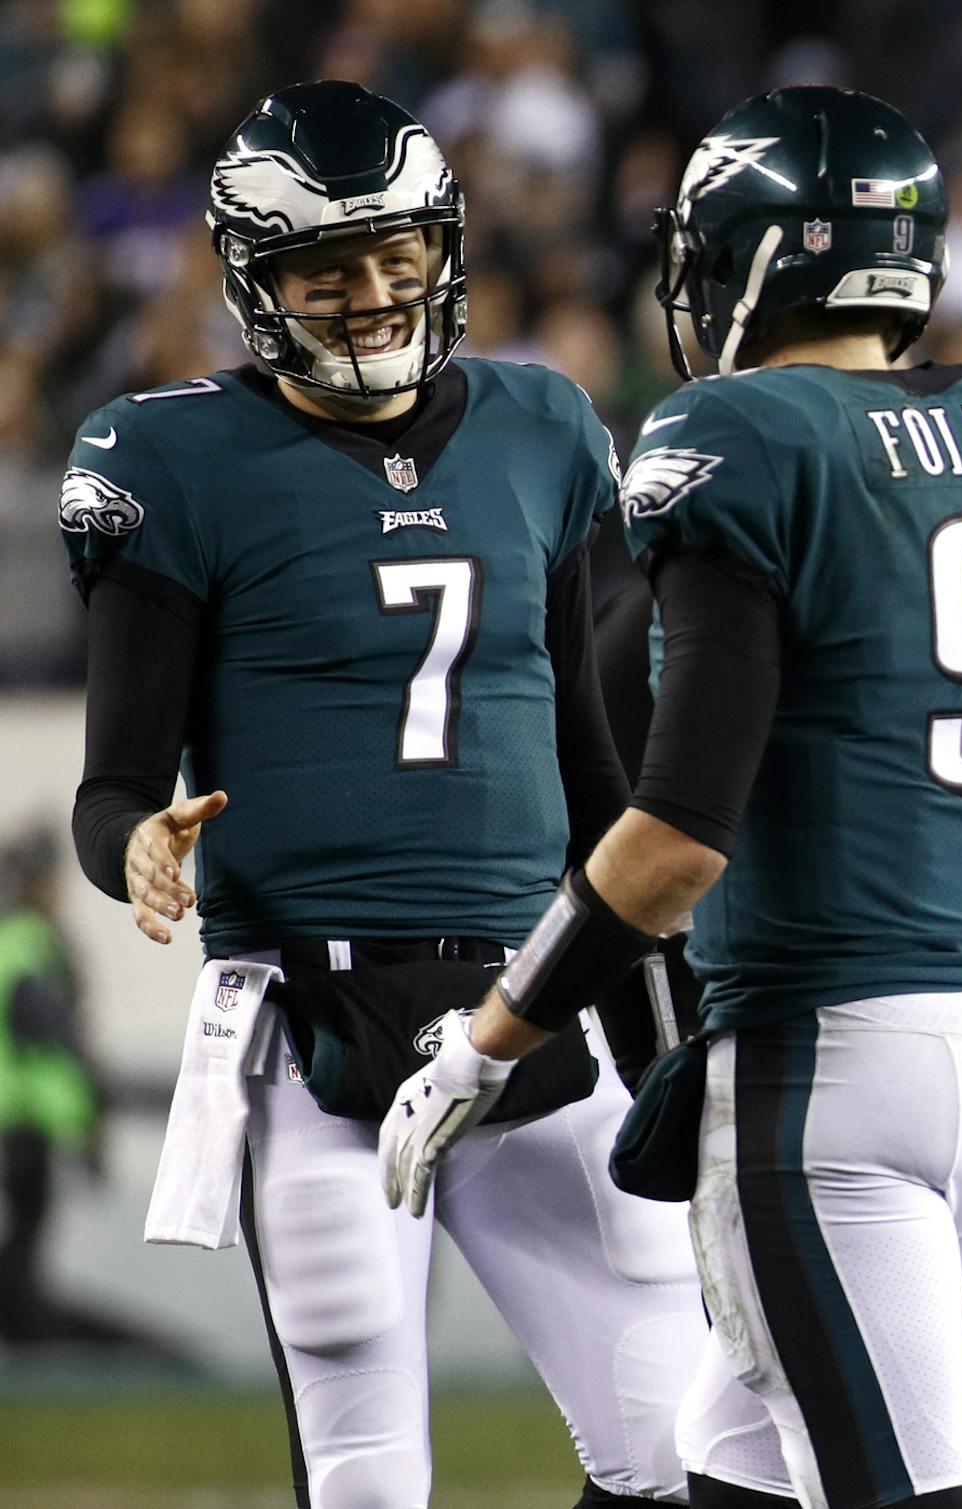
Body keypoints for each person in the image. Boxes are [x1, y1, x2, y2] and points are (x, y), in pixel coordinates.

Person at [377, 86, 962, 1509]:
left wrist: (484, 1045)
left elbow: (677, 842)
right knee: (714, 1475)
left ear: (751, 260)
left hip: (829, 1083)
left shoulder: (740, 434)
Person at [61, 81, 719, 1508]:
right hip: (314, 1020)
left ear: (444, 247)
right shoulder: (168, 456)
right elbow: (112, 787)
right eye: (328, 270)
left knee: (688, 1454)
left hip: (529, 999)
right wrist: (137, 848)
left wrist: (646, 1009)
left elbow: (588, 765)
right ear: (258, 280)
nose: (370, 295)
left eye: (395, 256)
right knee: (368, 1478)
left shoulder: (542, 423)